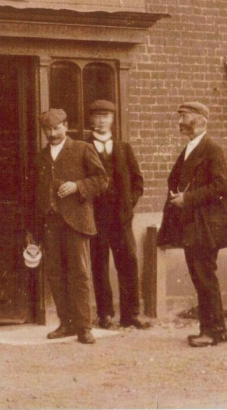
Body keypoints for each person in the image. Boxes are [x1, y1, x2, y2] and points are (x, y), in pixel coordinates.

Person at [157, 102, 227, 347]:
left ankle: (212, 332)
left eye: (185, 117)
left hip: (207, 227)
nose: (180, 122)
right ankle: (214, 330)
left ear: (200, 120)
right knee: (201, 278)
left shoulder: (213, 149)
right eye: (180, 117)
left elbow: (221, 186)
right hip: (193, 226)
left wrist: (188, 198)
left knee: (205, 278)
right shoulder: (190, 148)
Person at [28, 109, 107, 345]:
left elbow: (101, 179)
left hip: (76, 221)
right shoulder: (41, 157)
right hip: (50, 223)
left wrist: (77, 186)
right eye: (47, 130)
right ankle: (67, 323)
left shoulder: (83, 149)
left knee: (79, 274)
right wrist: (34, 229)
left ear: (66, 125)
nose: (52, 133)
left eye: (56, 128)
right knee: (55, 274)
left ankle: (84, 326)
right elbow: (34, 194)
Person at [85, 100, 149, 330]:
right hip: (96, 218)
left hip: (121, 218)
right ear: (91, 119)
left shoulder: (124, 148)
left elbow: (138, 181)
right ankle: (104, 314)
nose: (101, 120)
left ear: (113, 119)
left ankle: (131, 315)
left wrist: (129, 204)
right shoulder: (83, 148)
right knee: (99, 265)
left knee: (128, 263)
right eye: (97, 116)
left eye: (106, 116)